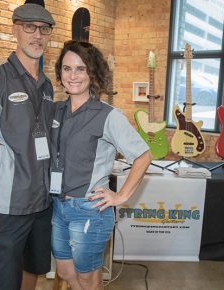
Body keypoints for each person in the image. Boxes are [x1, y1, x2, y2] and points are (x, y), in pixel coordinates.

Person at [0, 3, 56, 290]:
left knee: (34, 270)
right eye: (30, 27)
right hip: (7, 208)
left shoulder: (48, 85)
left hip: (42, 203)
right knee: (1, 282)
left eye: (44, 29)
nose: (37, 35)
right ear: (15, 29)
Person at [50, 40, 152, 290]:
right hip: (58, 206)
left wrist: (121, 196)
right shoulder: (55, 110)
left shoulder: (107, 115)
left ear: (92, 73)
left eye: (81, 69)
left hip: (89, 209)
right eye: (67, 68)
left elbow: (143, 155)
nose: (73, 75)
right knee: (64, 270)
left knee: (88, 278)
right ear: (60, 73)